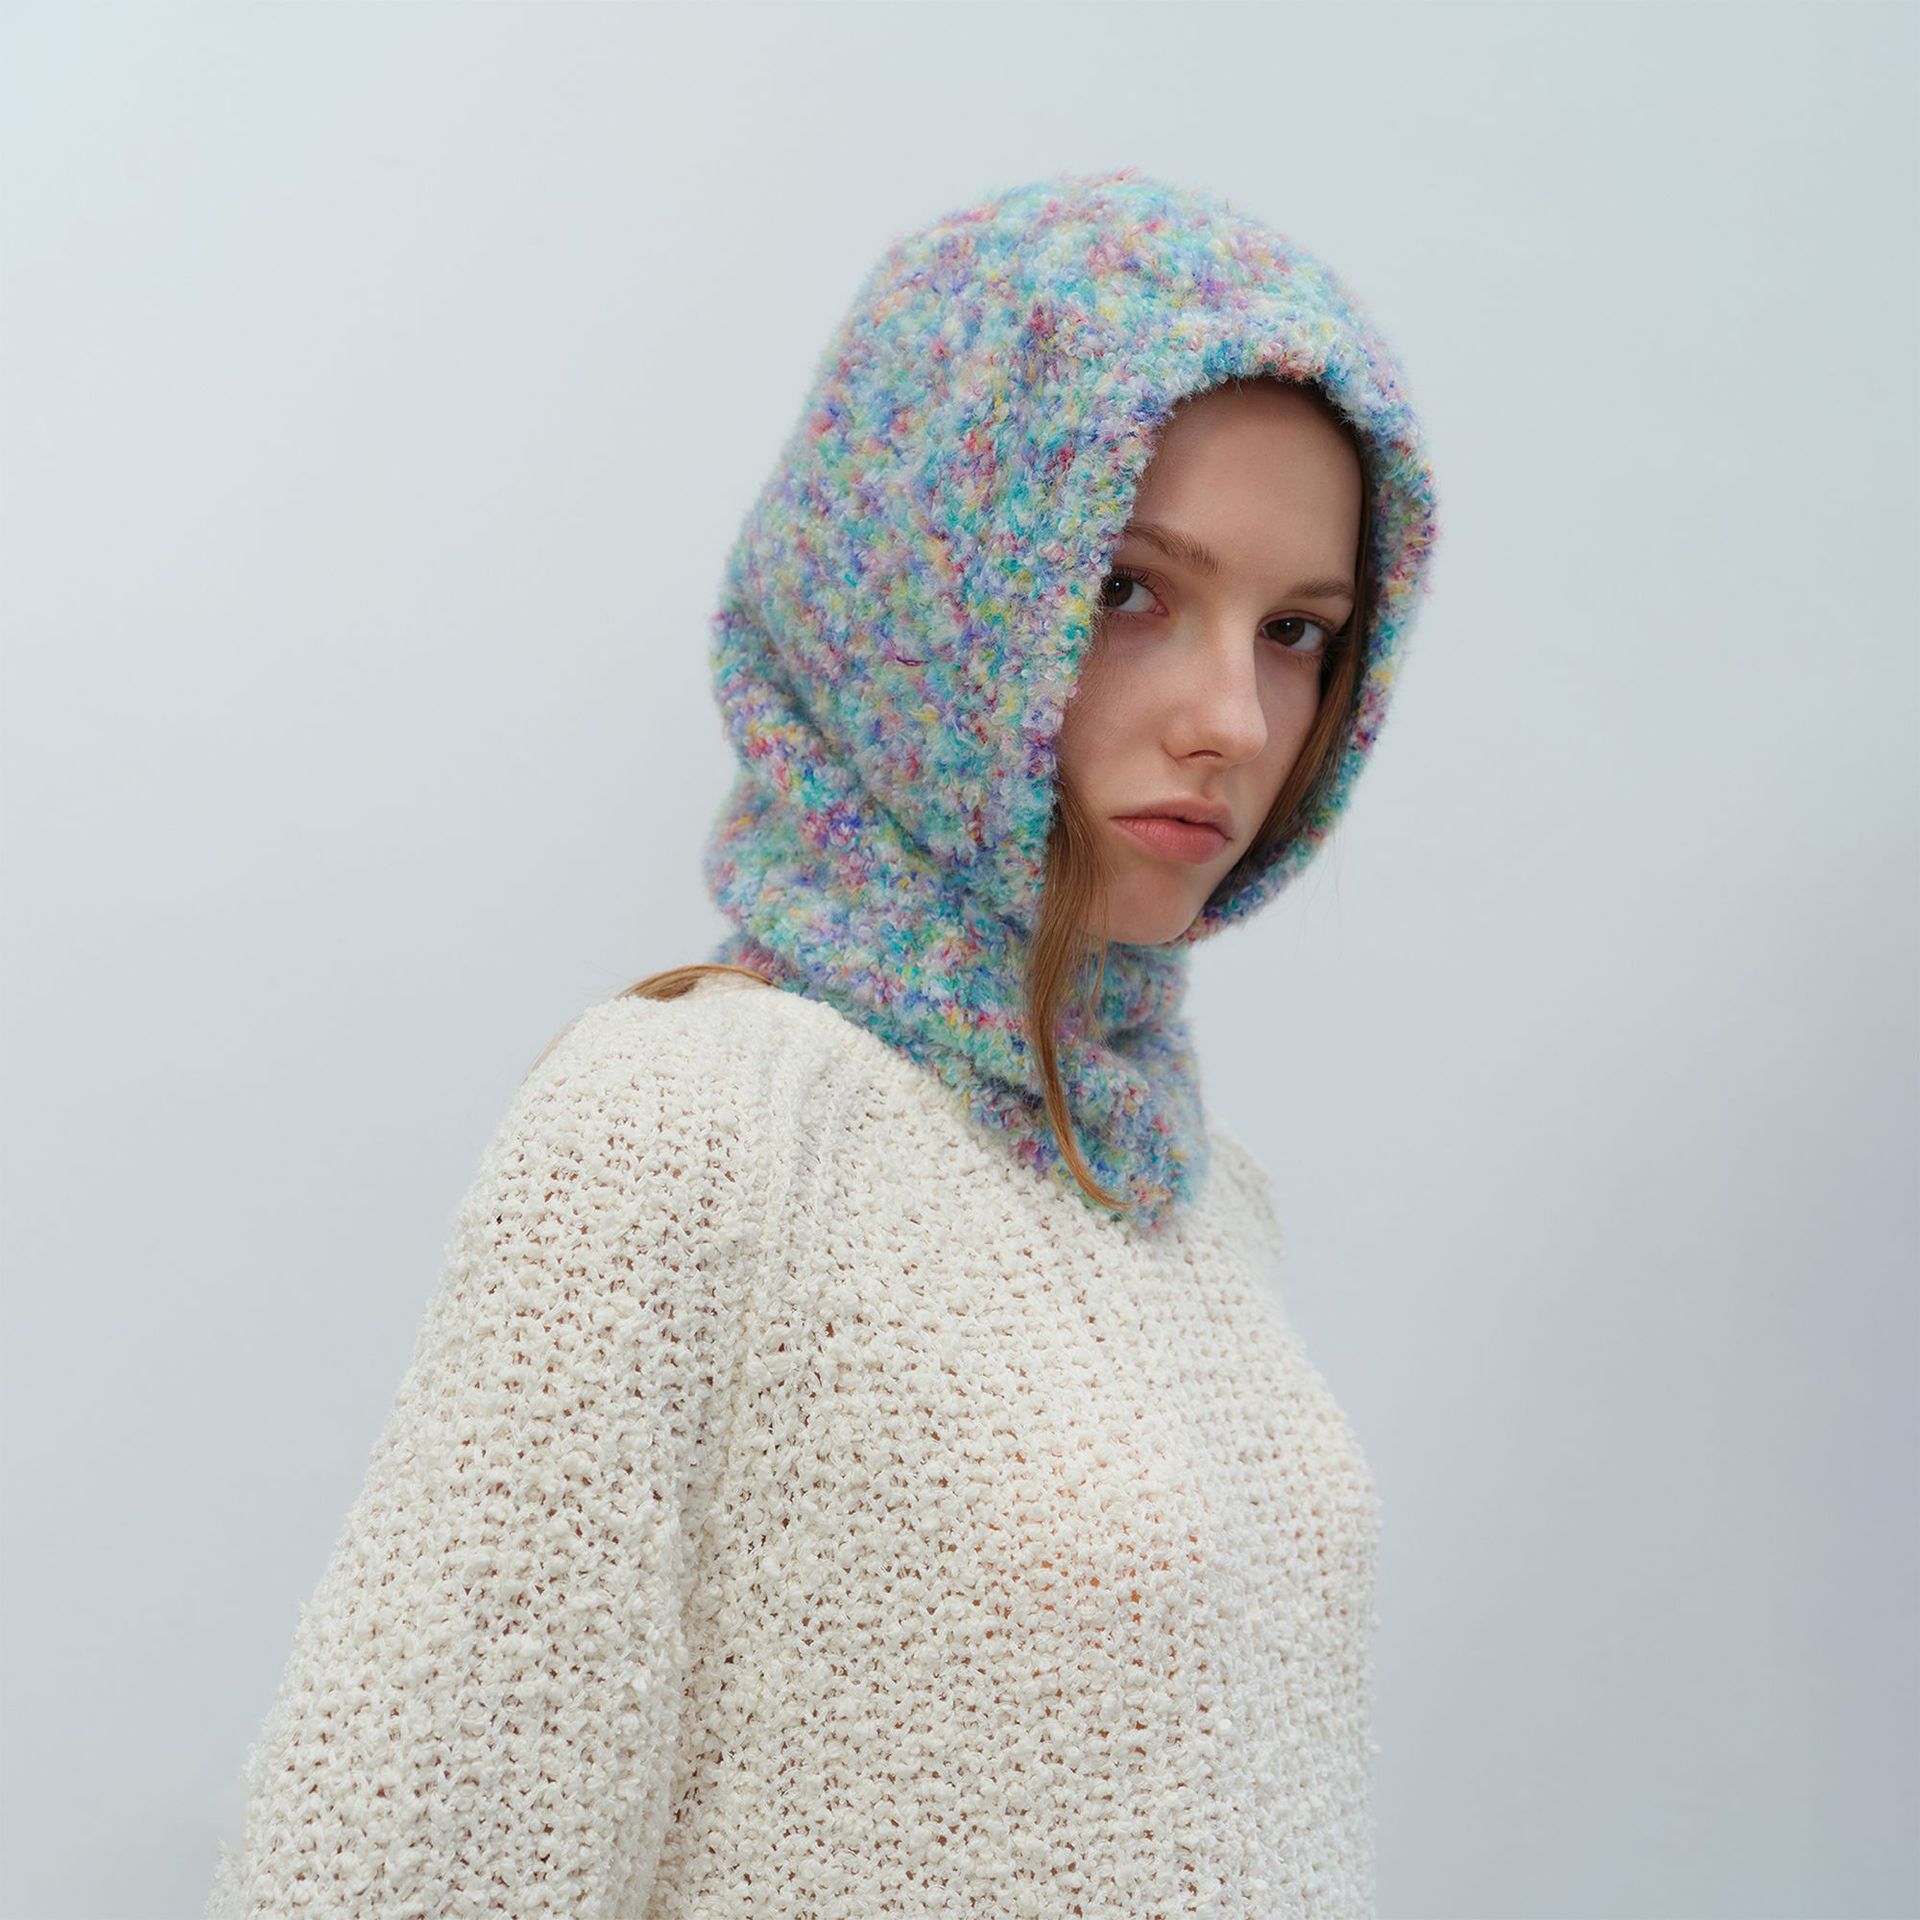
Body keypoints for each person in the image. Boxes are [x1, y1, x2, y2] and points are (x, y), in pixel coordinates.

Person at [206, 167, 1440, 1919]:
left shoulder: (1198, 1195)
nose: (1234, 721)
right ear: (925, 588)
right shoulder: (692, 1123)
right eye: (1125, 591)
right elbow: (390, 1876)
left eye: (1298, 634)